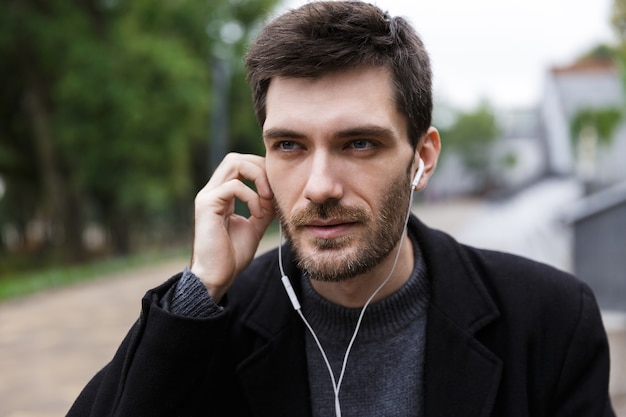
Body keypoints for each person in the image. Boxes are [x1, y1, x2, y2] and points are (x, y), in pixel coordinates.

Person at [67, 1, 616, 416]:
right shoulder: (211, 327)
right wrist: (201, 288)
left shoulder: (548, 319)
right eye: (290, 146)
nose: (320, 186)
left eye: (358, 144)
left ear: (422, 157)